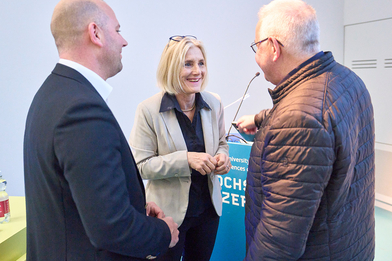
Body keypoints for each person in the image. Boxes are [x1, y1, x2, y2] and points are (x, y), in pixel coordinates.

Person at [23, 0, 179, 260]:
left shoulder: (52, 93)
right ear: (95, 33)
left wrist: (134, 208)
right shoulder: (81, 109)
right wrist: (163, 232)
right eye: (118, 30)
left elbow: (77, 197)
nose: (124, 41)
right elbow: (110, 227)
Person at [235, 0, 375, 260]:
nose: (256, 57)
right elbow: (324, 116)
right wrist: (262, 118)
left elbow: (277, 243)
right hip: (352, 245)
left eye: (257, 47)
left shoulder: (297, 121)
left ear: (274, 48)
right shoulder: (349, 81)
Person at [129, 35, 231, 261]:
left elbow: (222, 143)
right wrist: (185, 160)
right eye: (188, 64)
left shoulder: (214, 103)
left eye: (201, 63)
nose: (197, 71)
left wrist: (223, 157)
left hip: (208, 211)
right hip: (168, 216)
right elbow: (140, 165)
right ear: (172, 67)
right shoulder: (148, 110)